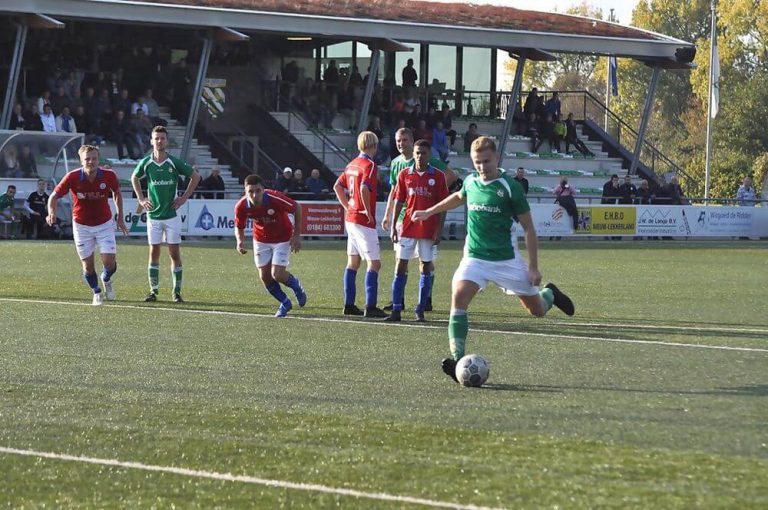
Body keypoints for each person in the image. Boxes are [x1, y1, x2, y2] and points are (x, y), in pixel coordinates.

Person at [411, 136, 575, 383]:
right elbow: (458, 197)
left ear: (496, 158)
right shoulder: (470, 181)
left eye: (486, 161)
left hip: (506, 261)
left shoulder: (510, 187)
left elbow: (529, 228)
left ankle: (550, 293)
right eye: (477, 162)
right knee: (458, 297)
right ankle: (458, 359)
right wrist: (429, 211)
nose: (481, 167)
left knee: (537, 310)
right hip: (474, 258)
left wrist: (533, 267)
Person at [382, 127, 456, 312]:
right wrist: (389, 219)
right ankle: (397, 304)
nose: (401, 144)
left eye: (404, 140)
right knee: (400, 262)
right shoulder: (400, 168)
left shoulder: (437, 174)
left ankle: (424, 303)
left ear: (429, 154)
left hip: (428, 226)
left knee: (426, 264)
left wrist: (439, 228)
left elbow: (444, 202)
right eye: (398, 140)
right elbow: (396, 195)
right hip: (405, 222)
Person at [46, 145, 129, 305]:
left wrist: (120, 216)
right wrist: (51, 212)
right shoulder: (72, 177)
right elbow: (54, 196)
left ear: (99, 159)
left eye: (94, 158)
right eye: (87, 159)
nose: (91, 161)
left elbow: (117, 192)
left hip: (104, 223)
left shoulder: (109, 175)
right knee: (88, 266)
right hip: (81, 226)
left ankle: (106, 278)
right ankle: (96, 292)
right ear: (81, 160)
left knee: (109, 262)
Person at [131, 126, 201, 303]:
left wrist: (183, 198)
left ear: (167, 141)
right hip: (153, 216)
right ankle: (153, 291)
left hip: (171, 216)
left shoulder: (173, 162)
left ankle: (176, 293)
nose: (159, 141)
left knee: (174, 253)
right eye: (156, 138)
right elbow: (134, 177)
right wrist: (141, 199)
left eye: (162, 138)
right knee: (153, 253)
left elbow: (196, 177)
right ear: (151, 141)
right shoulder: (146, 162)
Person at [234, 174, 307, 317]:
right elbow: (239, 225)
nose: (254, 195)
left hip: (282, 238)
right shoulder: (241, 206)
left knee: (277, 274)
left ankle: (296, 285)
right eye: (250, 191)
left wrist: (297, 235)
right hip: (261, 240)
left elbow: (296, 207)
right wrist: (239, 241)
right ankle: (285, 302)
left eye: (258, 190)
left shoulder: (274, 198)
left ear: (263, 189)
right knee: (265, 276)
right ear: (245, 191)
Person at [334, 131, 388, 318]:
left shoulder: (351, 164)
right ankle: (370, 306)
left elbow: (337, 186)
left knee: (353, 262)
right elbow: (365, 188)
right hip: (362, 220)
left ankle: (349, 304)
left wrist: (347, 206)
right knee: (374, 263)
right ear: (374, 145)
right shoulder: (370, 165)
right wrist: (366, 210)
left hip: (351, 218)